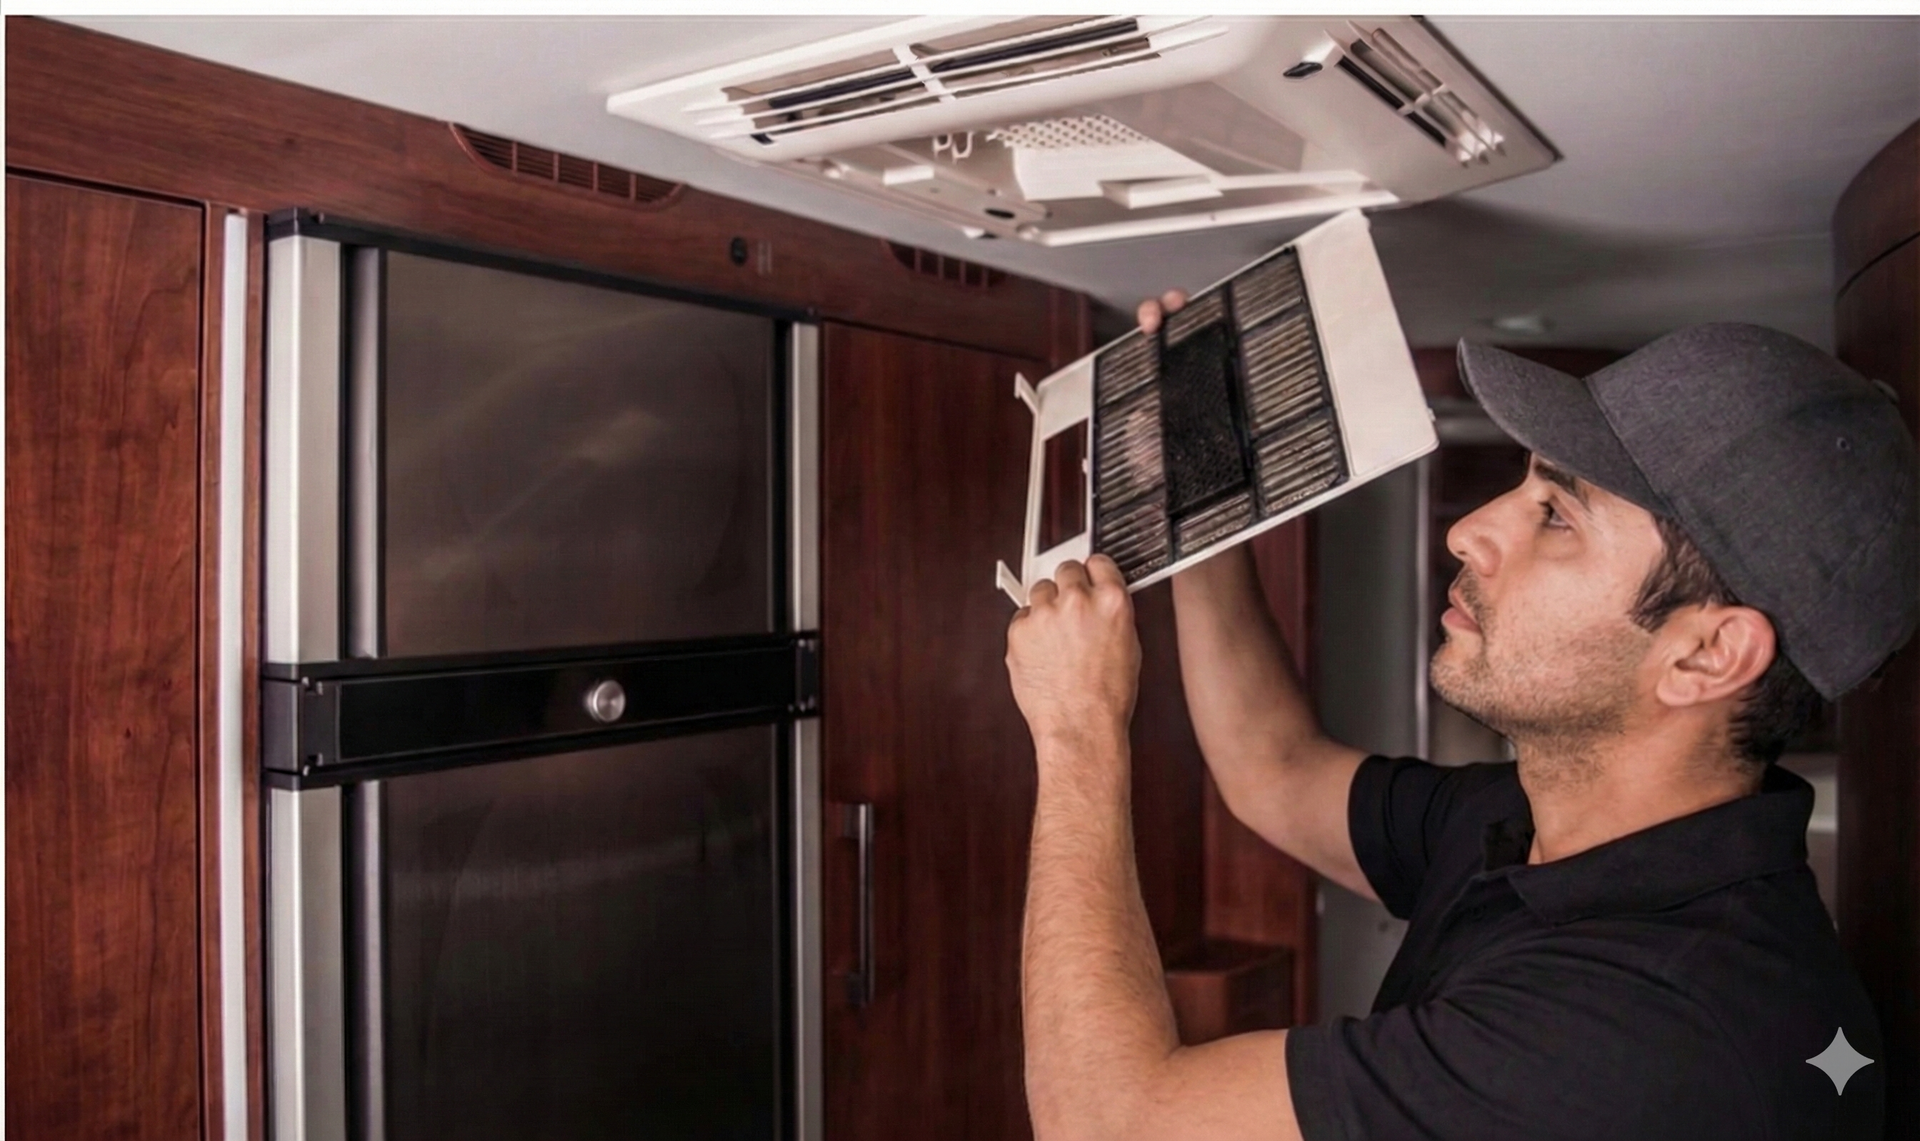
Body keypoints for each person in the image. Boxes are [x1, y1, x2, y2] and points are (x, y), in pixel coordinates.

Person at [1004, 293, 1915, 1141]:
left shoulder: (1655, 1026)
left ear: (1706, 654)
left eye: (1556, 514)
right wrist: (1197, 492)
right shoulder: (1534, 815)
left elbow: (1109, 1121)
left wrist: (1078, 725)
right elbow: (1273, 769)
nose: (1470, 531)